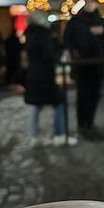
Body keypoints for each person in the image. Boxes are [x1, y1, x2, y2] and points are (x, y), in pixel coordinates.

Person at [63, 0, 104, 139]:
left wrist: (103, 31)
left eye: (91, 1)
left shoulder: (101, 21)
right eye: (85, 1)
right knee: (83, 96)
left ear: (95, 4)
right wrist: (71, 52)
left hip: (98, 65)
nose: (88, 4)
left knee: (95, 95)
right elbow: (67, 40)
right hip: (82, 65)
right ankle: (82, 124)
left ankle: (90, 121)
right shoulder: (75, 22)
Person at [24, 9, 76, 146]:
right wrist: (59, 57)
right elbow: (49, 54)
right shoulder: (43, 34)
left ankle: (34, 136)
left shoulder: (29, 34)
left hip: (32, 74)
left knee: (35, 105)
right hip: (44, 75)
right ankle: (59, 134)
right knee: (59, 102)